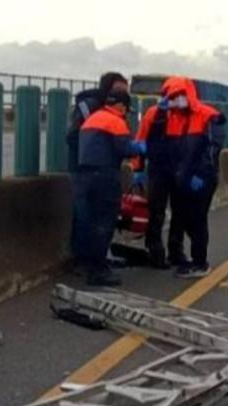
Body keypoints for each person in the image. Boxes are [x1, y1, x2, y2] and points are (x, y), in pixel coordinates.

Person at [133, 76, 226, 277]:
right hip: (161, 170)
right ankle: (156, 251)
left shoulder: (204, 116)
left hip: (183, 174)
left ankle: (180, 253)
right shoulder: (157, 115)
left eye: (178, 96)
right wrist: (138, 168)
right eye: (171, 96)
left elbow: (210, 149)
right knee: (156, 211)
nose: (175, 100)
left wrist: (200, 174)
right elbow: (142, 140)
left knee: (183, 215)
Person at [77, 73, 146, 286]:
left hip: (85, 177)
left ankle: (92, 265)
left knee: (91, 222)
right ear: (122, 107)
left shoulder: (92, 119)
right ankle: (99, 271)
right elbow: (124, 149)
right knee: (104, 224)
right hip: (105, 177)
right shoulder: (115, 122)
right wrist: (143, 147)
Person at [66, 72, 132, 275]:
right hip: (85, 169)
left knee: (99, 218)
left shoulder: (112, 109)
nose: (123, 95)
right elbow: (73, 137)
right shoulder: (90, 108)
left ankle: (99, 257)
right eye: (120, 90)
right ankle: (84, 262)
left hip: (102, 169)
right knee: (87, 217)